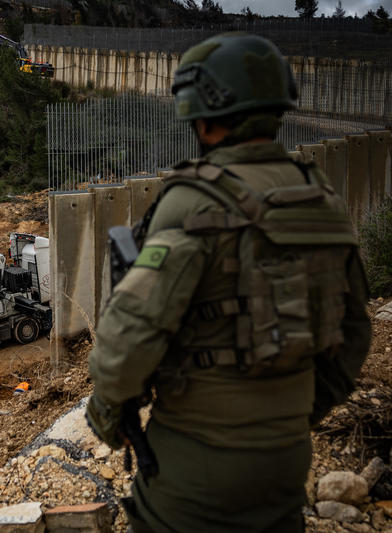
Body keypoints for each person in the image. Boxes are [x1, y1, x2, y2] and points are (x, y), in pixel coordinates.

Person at [85, 33, 371, 533]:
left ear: (204, 109)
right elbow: (353, 337)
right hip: (287, 461)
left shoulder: (190, 201)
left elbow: (127, 341)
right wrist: (295, 417)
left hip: (198, 464)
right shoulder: (320, 198)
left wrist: (109, 419)